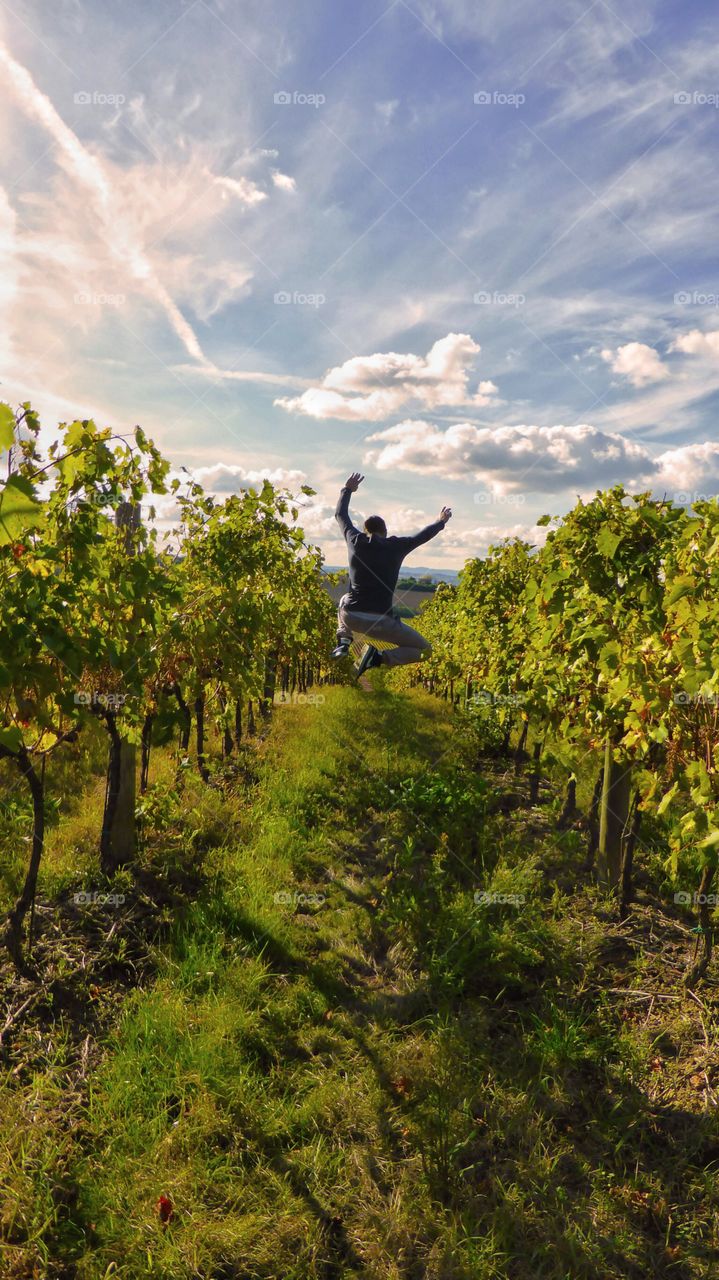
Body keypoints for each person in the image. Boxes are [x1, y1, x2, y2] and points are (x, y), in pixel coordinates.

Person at [331, 472, 452, 673]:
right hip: (383, 622)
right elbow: (422, 536)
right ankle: (378, 658)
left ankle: (343, 640)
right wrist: (441, 522)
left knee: (344, 598)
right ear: (385, 531)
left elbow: (340, 515)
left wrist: (347, 489)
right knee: (425, 650)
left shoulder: (355, 540)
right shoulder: (397, 546)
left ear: (365, 530)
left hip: (351, 615)